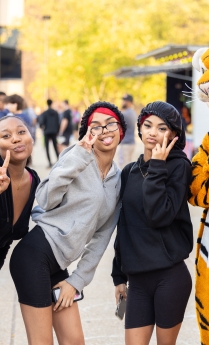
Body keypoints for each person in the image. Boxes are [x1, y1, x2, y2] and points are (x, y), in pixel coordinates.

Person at [9, 101, 126, 345]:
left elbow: (102, 238)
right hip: (34, 255)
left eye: (110, 124)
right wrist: (78, 158)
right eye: (96, 126)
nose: (104, 130)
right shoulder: (76, 155)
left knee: (74, 341)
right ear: (88, 133)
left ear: (120, 129)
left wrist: (77, 281)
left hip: (58, 265)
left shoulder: (118, 180)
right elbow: (45, 198)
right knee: (42, 342)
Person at [112, 101, 193, 345]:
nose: (152, 132)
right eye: (147, 125)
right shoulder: (130, 171)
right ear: (139, 128)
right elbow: (124, 225)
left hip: (169, 276)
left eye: (161, 128)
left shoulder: (179, 166)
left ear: (174, 135)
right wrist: (118, 276)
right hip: (137, 280)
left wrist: (157, 166)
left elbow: (160, 215)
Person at [0, 115, 40, 270]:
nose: (16, 139)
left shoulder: (33, 180)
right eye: (6, 136)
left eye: (21, 132)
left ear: (32, 138)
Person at [38, 99, 60, 168]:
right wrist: (57, 131)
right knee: (55, 147)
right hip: (54, 131)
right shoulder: (55, 112)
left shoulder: (44, 113)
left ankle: (49, 163)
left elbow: (41, 123)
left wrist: (42, 127)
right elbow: (58, 122)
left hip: (47, 132)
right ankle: (59, 161)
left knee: (47, 148)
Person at [117, 93, 137, 169]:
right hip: (131, 143)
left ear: (129, 102)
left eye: (125, 100)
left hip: (125, 145)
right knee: (129, 167)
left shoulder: (125, 114)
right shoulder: (133, 112)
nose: (123, 102)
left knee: (123, 168)